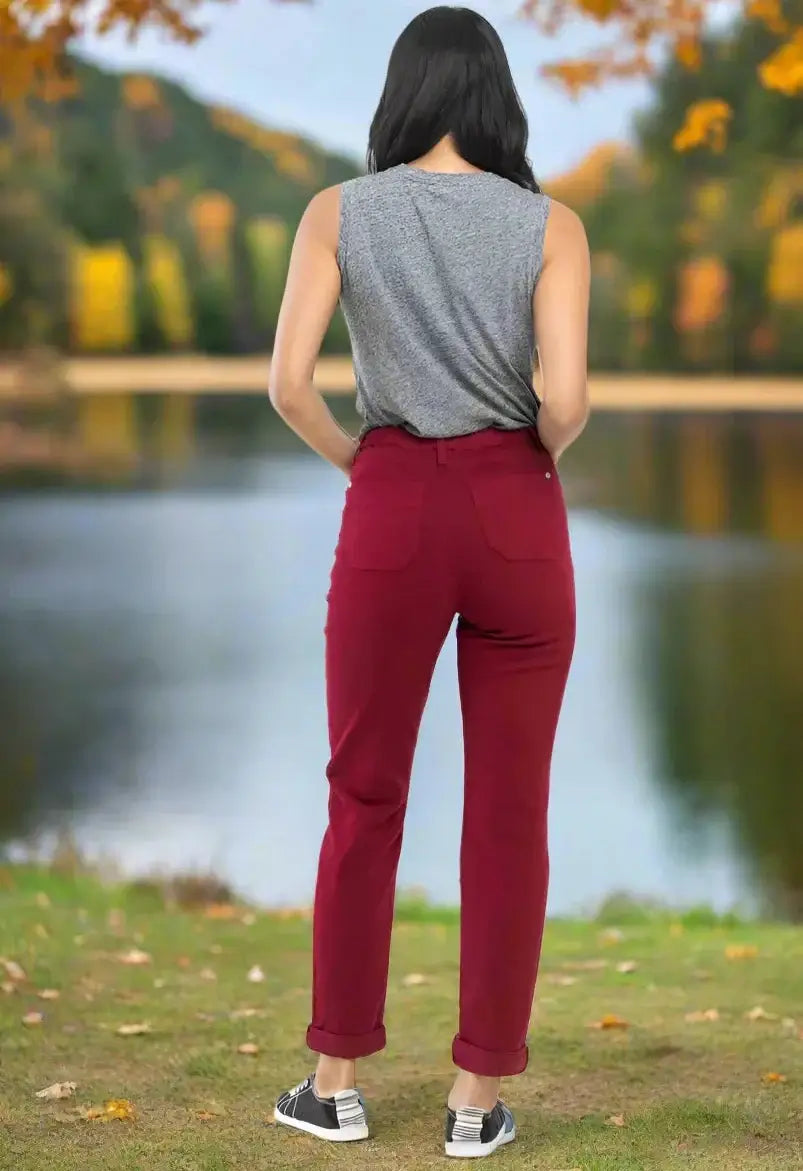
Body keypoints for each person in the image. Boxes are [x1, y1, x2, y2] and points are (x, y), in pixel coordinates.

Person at [269, 4, 590, 1159]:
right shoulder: (551, 224)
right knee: (508, 815)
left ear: (400, 95)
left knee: (363, 797)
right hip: (516, 508)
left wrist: (370, 463)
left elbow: (288, 385)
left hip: (392, 502)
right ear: (495, 98)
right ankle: (472, 1104)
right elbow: (565, 402)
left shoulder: (337, 212)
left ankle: (334, 1082)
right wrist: (527, 456)